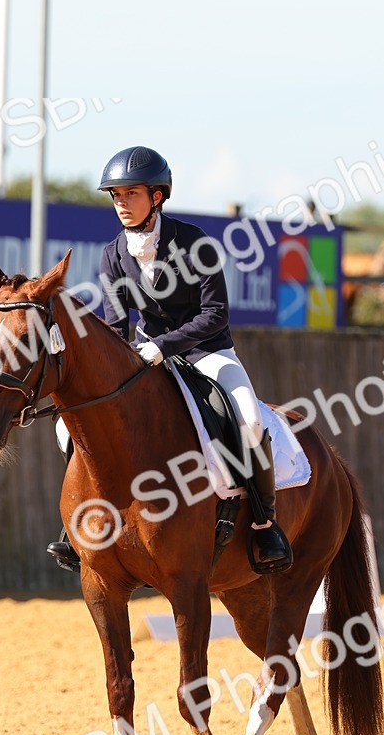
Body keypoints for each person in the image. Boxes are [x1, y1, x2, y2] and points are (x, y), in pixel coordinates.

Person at [47, 145, 292, 573]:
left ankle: (263, 521)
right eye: (115, 195)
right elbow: (115, 323)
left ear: (157, 196)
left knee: (250, 417)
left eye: (130, 194)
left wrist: (163, 346)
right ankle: (78, 528)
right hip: (144, 358)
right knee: (72, 426)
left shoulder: (195, 243)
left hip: (207, 352)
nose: (121, 203)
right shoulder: (112, 254)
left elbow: (215, 315)